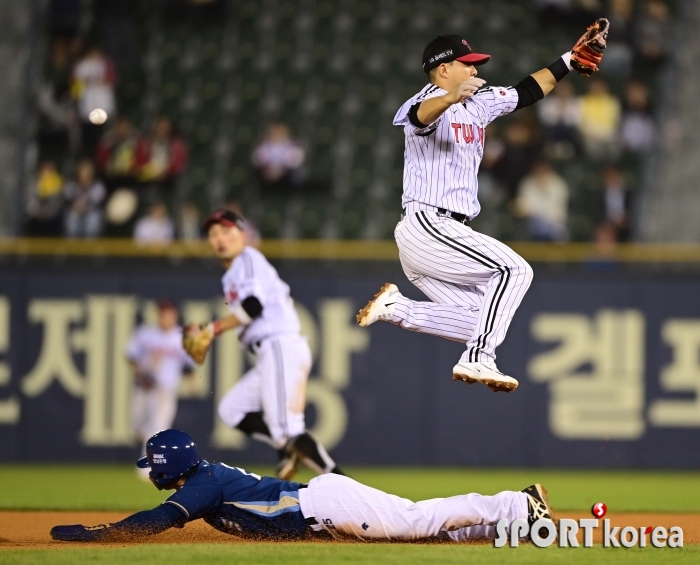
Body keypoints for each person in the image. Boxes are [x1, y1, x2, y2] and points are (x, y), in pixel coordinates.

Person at [356, 23, 609, 393]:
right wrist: (450, 97)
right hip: (428, 223)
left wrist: (569, 61)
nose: (475, 70)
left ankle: (398, 309)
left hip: (446, 234)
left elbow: (527, 90)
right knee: (514, 270)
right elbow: (418, 118)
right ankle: (479, 357)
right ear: (444, 69)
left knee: (480, 316)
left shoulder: (478, 101)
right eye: (467, 64)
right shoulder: (424, 101)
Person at [50, 429, 556, 543]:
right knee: (427, 536)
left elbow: (159, 521)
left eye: (153, 466)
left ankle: (516, 501)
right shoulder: (205, 478)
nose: (151, 473)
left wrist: (102, 533)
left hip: (326, 504)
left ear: (167, 467)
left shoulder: (201, 485)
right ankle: (513, 528)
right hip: (321, 512)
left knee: (416, 520)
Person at [182, 209, 341, 480]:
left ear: (242, 235)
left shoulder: (248, 258)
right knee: (231, 409)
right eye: (213, 233)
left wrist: (212, 329)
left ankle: (344, 484)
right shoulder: (231, 274)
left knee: (289, 431)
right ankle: (287, 449)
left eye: (226, 231)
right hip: (270, 352)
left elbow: (253, 306)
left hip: (279, 345)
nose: (219, 238)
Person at [126, 301, 196, 479]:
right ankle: (150, 456)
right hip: (144, 388)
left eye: (169, 314)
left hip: (165, 390)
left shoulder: (181, 337)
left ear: (175, 315)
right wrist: (141, 374)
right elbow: (131, 356)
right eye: (162, 313)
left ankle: (147, 467)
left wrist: (191, 382)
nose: (165, 317)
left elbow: (189, 365)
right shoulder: (146, 334)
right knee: (137, 427)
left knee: (157, 428)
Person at [515, 161, 569, 242]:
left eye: (543, 170)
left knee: (553, 229)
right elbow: (523, 207)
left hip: (555, 224)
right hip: (531, 223)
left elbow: (559, 209)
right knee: (537, 224)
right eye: (538, 170)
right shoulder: (527, 183)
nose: (541, 173)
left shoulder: (558, 184)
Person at [252, 122, 305, 190]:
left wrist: (280, 171)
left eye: (279, 132)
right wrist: (269, 170)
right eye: (274, 132)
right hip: (267, 175)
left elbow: (296, 161)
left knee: (295, 176)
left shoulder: (293, 146)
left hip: (286, 175)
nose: (276, 134)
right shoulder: (263, 146)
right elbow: (258, 160)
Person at [63, 158, 107, 238]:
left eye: (88, 170)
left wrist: (84, 206)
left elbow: (96, 202)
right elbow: (67, 200)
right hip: (75, 213)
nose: (85, 173)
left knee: (93, 218)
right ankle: (71, 247)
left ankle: (90, 246)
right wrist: (76, 206)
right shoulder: (71, 185)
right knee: (71, 217)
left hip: (91, 214)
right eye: (83, 170)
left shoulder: (97, 186)